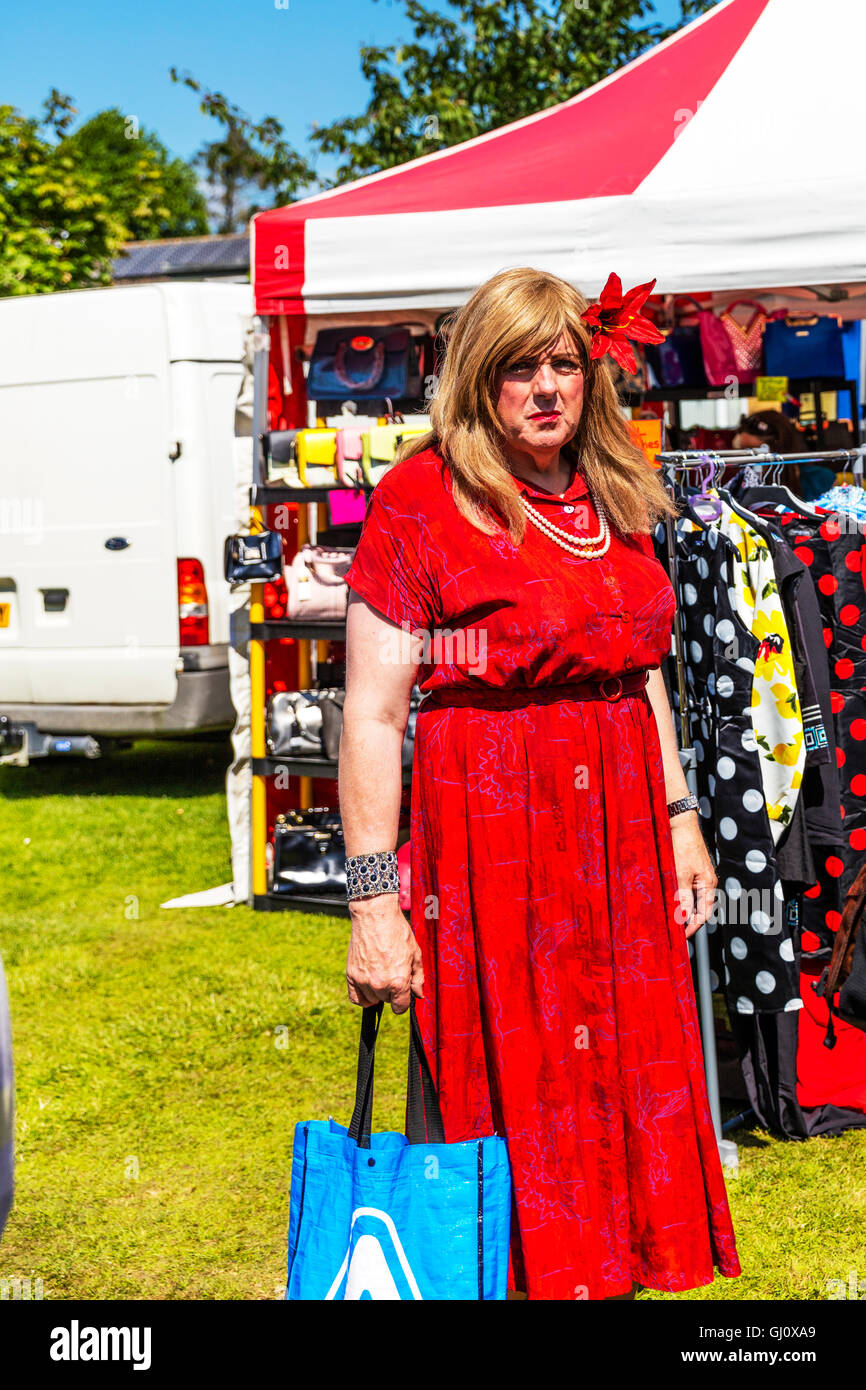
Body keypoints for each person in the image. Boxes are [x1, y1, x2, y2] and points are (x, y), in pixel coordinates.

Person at [338, 266, 741, 1302]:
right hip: (492, 835)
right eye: (519, 368)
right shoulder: (421, 499)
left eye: (562, 363)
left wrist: (680, 812)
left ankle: (607, 1273)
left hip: (617, 834)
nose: (545, 388)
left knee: (613, 1069)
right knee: (510, 1081)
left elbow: (636, 668)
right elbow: (374, 714)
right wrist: (372, 900)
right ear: (478, 378)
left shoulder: (612, 489)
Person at [732, 408, 835, 500]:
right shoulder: (740, 486)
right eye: (744, 452)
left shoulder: (821, 479)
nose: (748, 461)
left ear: (777, 450)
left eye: (755, 452)